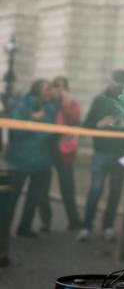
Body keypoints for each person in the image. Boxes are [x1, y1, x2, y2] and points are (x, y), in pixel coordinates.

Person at [78, 69, 124, 242]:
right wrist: (97, 124)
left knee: (116, 192)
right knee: (95, 189)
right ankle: (86, 226)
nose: (118, 88)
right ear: (110, 82)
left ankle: (108, 227)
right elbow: (86, 125)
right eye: (116, 83)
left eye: (121, 84)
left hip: (122, 154)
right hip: (101, 152)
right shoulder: (99, 100)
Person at [6, 79, 56, 237]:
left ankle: (24, 228)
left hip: (41, 162)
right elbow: (16, 131)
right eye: (46, 89)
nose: (49, 93)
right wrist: (33, 119)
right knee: (11, 198)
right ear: (37, 91)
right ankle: (3, 229)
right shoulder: (22, 105)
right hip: (20, 161)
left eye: (49, 90)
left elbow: (50, 131)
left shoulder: (50, 108)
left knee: (33, 199)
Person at [37, 76, 82, 231]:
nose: (60, 90)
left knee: (67, 188)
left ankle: (74, 220)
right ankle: (46, 221)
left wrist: (66, 103)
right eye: (57, 86)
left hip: (64, 152)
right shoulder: (46, 104)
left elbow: (74, 119)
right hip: (46, 151)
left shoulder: (72, 104)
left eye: (63, 87)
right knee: (43, 188)